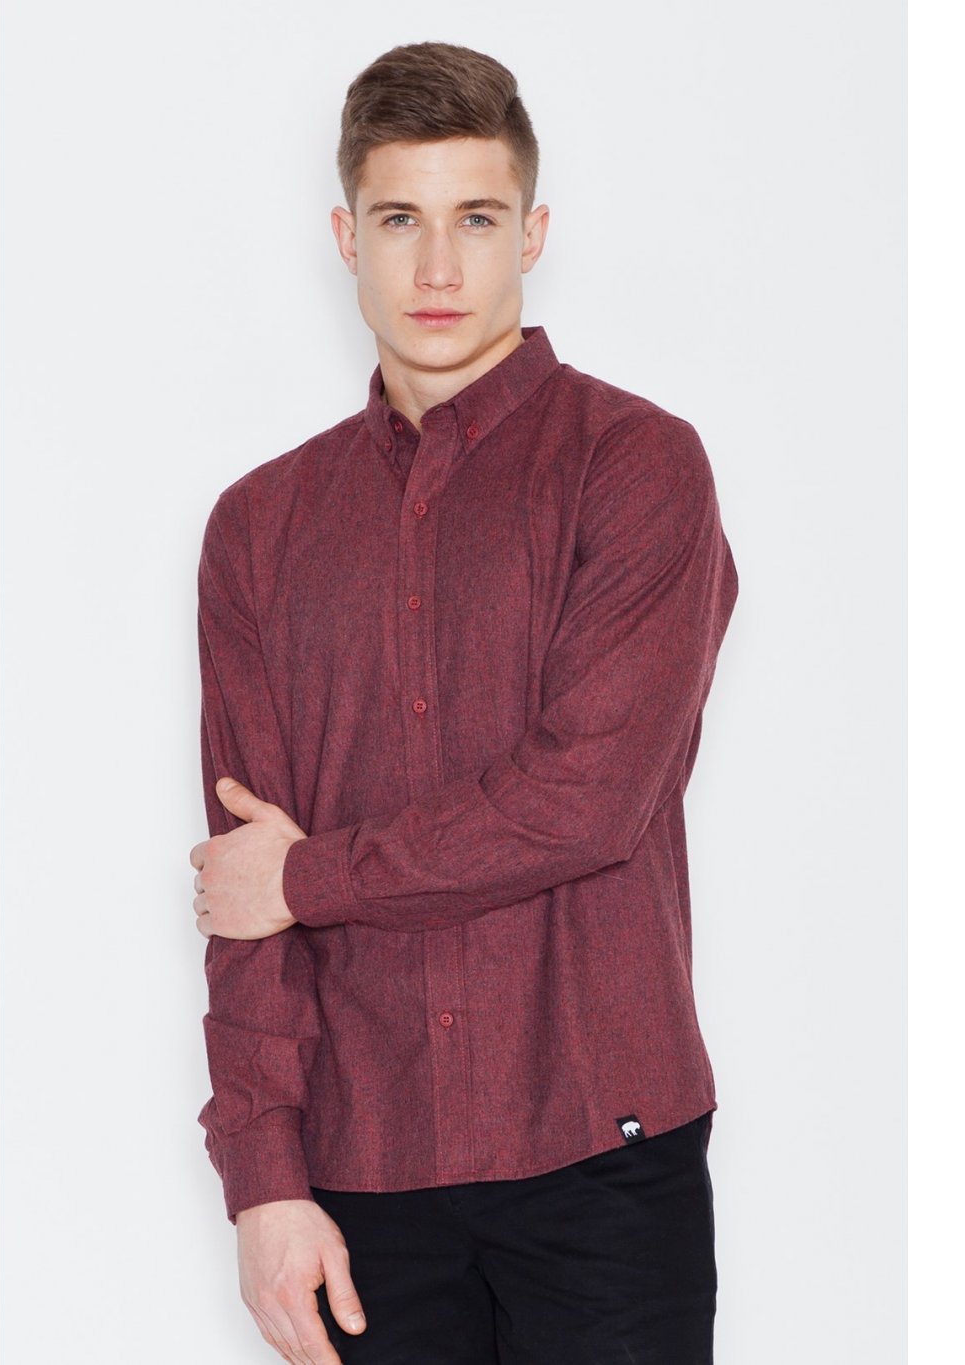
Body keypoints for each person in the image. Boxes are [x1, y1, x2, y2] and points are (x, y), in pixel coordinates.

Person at [189, 40, 739, 1365]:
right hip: (362, 1170)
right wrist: (262, 1177)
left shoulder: (638, 468)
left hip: (604, 1154)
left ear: (532, 234)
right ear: (347, 238)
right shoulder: (259, 529)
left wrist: (311, 878)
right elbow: (240, 873)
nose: (438, 268)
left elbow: (585, 800)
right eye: (400, 220)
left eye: (476, 219)